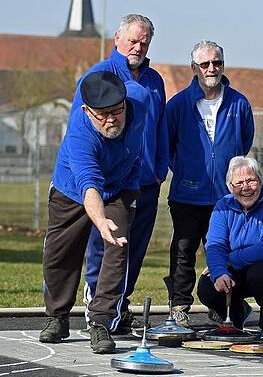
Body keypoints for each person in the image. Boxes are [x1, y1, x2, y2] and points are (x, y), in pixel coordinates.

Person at [73, 14, 168, 334]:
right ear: (117, 39)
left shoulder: (155, 80)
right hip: (111, 179)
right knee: (106, 244)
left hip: (146, 180)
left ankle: (119, 304)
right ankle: (96, 303)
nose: (138, 47)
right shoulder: (99, 75)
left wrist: (160, 168)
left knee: (135, 247)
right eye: (132, 40)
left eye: (144, 42)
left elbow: (160, 126)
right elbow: (81, 124)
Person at [39, 71, 145, 354]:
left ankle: (100, 322)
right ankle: (57, 317)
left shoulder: (140, 99)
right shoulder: (80, 135)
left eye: (117, 111)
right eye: (103, 114)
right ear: (86, 111)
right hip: (74, 189)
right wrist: (100, 221)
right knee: (60, 253)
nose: (112, 119)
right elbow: (89, 185)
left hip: (121, 184)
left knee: (117, 249)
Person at [166, 40, 255, 326]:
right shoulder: (179, 105)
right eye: (204, 64)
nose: (211, 68)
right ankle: (179, 307)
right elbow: (167, 147)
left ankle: (223, 306)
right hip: (187, 195)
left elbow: (244, 142)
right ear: (194, 68)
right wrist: (186, 172)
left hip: (226, 198)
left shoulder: (239, 104)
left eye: (216, 62)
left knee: (225, 254)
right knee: (183, 252)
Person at [198, 156, 263, 340]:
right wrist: (219, 270)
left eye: (251, 180)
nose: (245, 187)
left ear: (261, 182)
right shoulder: (222, 206)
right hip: (241, 269)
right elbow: (215, 245)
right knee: (207, 285)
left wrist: (230, 259)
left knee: (262, 273)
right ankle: (234, 319)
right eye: (238, 183)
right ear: (230, 187)